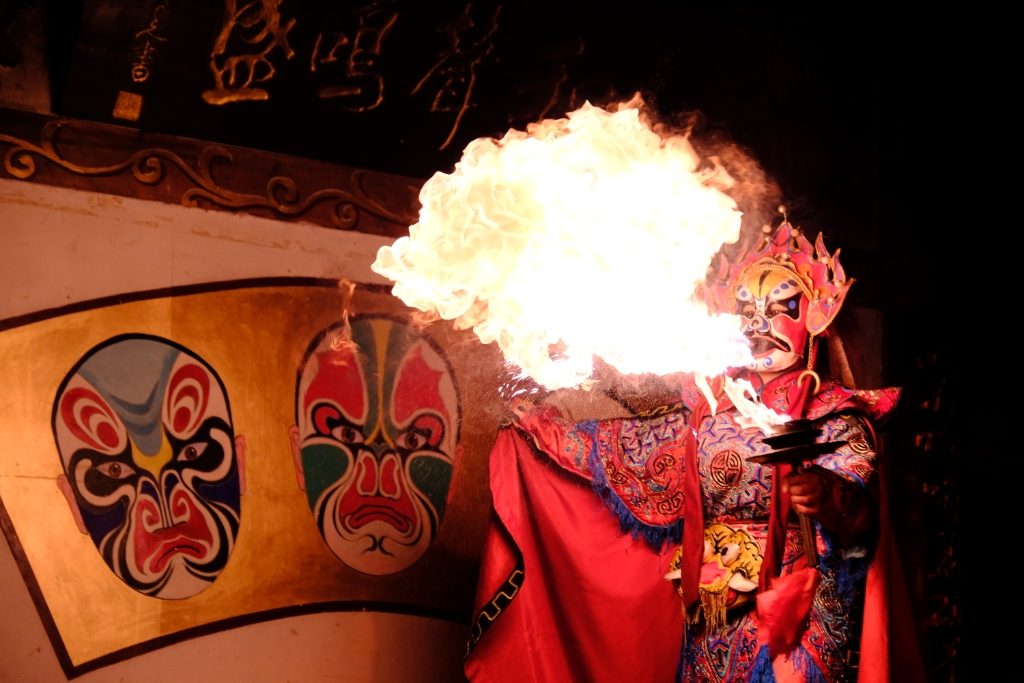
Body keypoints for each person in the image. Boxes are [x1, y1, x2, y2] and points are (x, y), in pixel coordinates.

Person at [465, 220, 919, 682]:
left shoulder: (835, 417)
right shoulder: (705, 413)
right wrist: (539, 426)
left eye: (780, 308)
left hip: (801, 612)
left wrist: (825, 494)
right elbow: (619, 451)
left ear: (814, 319)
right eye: (745, 309)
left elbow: (862, 517)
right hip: (713, 611)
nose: (758, 322)